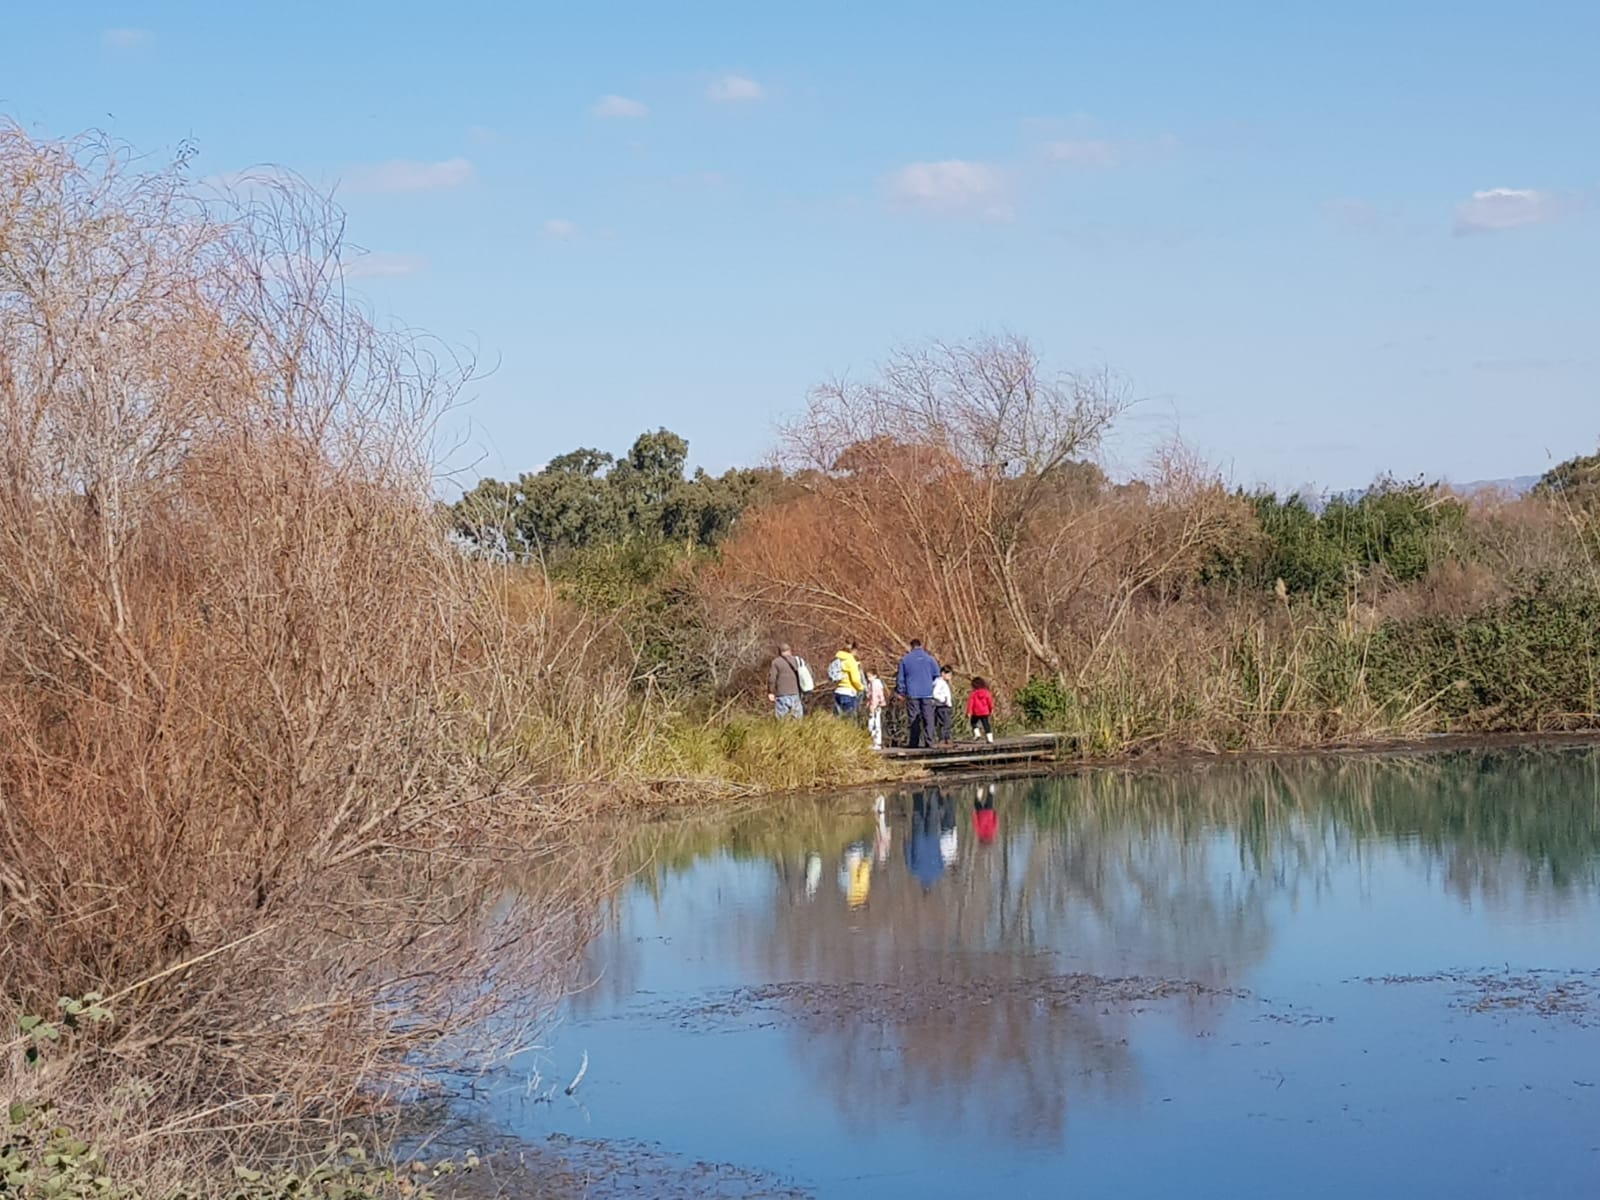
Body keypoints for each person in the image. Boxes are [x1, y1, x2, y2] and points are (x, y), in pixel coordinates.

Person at [894, 638, 941, 748]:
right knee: (928, 717)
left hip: (912, 692)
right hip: (927, 692)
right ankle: (929, 742)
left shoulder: (905, 660)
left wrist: (901, 691)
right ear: (921, 645)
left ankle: (914, 742)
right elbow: (936, 675)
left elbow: (900, 678)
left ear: (911, 646)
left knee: (914, 717)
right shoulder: (930, 659)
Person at [767, 642, 804, 719]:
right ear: (790, 650)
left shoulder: (776, 662)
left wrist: (771, 692)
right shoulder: (797, 661)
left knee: (782, 719)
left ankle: (783, 730)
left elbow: (772, 678)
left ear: (779, 652)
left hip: (782, 694)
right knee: (797, 719)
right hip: (795, 693)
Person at [829, 642, 866, 718]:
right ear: (853, 650)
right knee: (849, 721)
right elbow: (855, 679)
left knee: (838, 719)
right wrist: (861, 688)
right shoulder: (851, 661)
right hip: (848, 693)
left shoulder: (839, 659)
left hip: (838, 691)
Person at [966, 675, 995, 744]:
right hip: (985, 712)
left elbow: (970, 703)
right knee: (986, 725)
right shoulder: (987, 692)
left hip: (976, 712)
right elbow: (990, 701)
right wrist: (992, 709)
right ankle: (990, 738)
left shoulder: (973, 694)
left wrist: (969, 712)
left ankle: (977, 733)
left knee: (973, 722)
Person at [865, 669, 889, 748]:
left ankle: (875, 742)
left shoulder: (874, 684)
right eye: (867, 677)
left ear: (875, 676)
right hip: (876, 705)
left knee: (873, 724)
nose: (869, 678)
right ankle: (876, 741)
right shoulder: (876, 684)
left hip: (875, 706)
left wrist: (872, 707)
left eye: (870, 676)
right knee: (875, 723)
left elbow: (875, 697)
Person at [932, 665, 954, 746]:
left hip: (944, 706)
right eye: (949, 675)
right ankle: (944, 739)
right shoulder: (940, 683)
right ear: (943, 674)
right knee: (945, 723)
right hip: (943, 706)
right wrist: (943, 700)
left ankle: (946, 739)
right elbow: (935, 693)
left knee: (945, 723)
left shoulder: (942, 682)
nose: (950, 677)